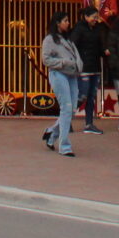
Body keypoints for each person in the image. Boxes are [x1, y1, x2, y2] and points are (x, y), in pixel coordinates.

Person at [40, 10, 81, 157]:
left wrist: (78, 65)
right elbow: (46, 60)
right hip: (58, 74)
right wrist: (63, 62)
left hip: (72, 74)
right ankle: (64, 146)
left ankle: (52, 133)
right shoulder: (50, 40)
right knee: (66, 107)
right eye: (65, 21)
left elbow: (75, 56)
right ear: (58, 23)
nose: (68, 23)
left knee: (72, 108)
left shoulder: (67, 40)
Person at [68, 5, 108, 135]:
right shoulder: (79, 29)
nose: (95, 20)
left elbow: (99, 45)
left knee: (91, 97)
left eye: (97, 17)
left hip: (95, 67)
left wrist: (104, 51)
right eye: (93, 17)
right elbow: (72, 45)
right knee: (82, 95)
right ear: (86, 17)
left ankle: (89, 124)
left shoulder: (97, 30)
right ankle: (66, 119)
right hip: (83, 68)